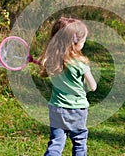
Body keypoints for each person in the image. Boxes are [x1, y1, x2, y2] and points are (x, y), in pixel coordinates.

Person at [40, 17, 97, 156]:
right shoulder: (81, 64)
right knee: (79, 142)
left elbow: (45, 71)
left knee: (56, 143)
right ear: (75, 43)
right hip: (77, 110)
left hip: (56, 108)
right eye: (83, 41)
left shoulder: (52, 61)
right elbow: (93, 86)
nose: (84, 43)